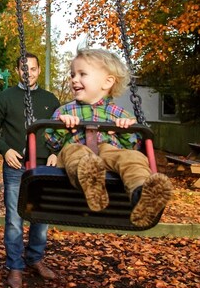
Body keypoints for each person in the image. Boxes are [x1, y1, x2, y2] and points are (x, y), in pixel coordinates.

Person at [45, 48, 172, 228]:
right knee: (75, 152)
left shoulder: (119, 114)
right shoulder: (64, 111)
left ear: (107, 82)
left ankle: (142, 194)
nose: (74, 79)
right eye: (73, 74)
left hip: (109, 152)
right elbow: (51, 142)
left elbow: (133, 145)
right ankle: (90, 183)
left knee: (132, 158)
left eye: (82, 74)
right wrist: (61, 126)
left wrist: (126, 129)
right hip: (76, 150)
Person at [0, 53, 60, 288]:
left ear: (39, 70)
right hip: (16, 165)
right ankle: (15, 266)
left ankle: (35, 259)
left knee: (41, 216)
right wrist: (5, 150)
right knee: (15, 219)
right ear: (18, 71)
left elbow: (59, 130)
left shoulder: (50, 100)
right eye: (25, 69)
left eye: (34, 69)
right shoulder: (6, 98)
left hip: (44, 166)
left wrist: (57, 150)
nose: (30, 73)